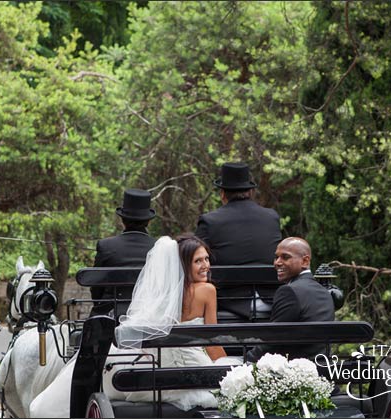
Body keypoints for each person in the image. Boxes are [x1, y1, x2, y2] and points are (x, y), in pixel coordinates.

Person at [29, 235, 238, 417]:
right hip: (191, 368)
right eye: (198, 261)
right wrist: (230, 368)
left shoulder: (162, 295)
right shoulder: (207, 290)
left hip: (160, 369)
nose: (205, 265)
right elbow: (212, 343)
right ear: (184, 265)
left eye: (206, 259)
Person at [195, 162, 282, 319]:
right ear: (250, 191)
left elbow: (195, 262)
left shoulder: (209, 221)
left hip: (229, 302)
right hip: (272, 299)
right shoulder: (272, 217)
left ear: (222, 193)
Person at [246, 237, 335, 362]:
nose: (277, 262)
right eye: (276, 257)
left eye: (285, 257)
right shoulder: (324, 291)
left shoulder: (289, 291)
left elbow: (273, 338)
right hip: (321, 367)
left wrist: (247, 359)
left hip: (294, 369)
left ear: (305, 261)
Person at [90, 188, 157, 317]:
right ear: (148, 221)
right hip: (149, 314)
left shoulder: (106, 245)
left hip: (110, 314)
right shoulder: (158, 247)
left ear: (122, 220)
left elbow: (96, 288)